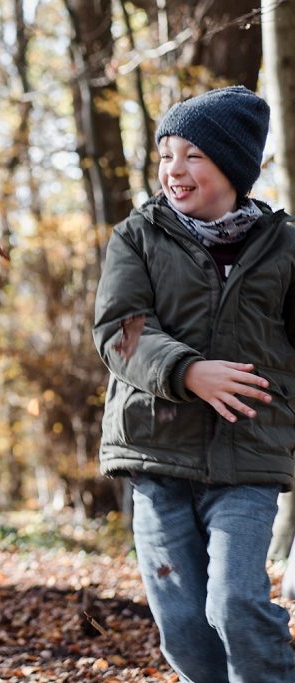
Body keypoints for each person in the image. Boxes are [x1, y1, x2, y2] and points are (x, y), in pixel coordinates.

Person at [93, 85, 295, 682]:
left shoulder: (286, 247)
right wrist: (187, 371)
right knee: (181, 622)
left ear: (232, 164)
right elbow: (119, 332)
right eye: (165, 155)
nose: (173, 170)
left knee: (234, 604)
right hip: (157, 454)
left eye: (193, 155)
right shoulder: (139, 236)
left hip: (250, 459)